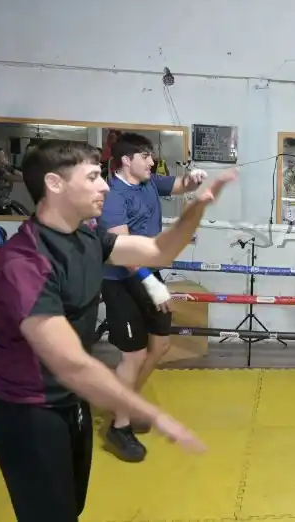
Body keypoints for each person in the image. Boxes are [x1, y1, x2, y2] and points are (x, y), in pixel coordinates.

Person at [0, 139, 235, 522]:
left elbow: (159, 251)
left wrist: (195, 209)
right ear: (55, 183)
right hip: (27, 410)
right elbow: (71, 363)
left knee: (71, 509)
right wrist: (152, 413)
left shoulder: (87, 237)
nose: (104, 186)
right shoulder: (25, 262)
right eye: (93, 177)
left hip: (70, 401)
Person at [99, 132, 208, 462]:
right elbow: (123, 251)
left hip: (149, 275)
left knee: (160, 345)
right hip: (120, 281)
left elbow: (180, 185)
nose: (151, 161)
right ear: (126, 161)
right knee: (133, 356)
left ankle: (127, 403)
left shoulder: (148, 182)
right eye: (145, 156)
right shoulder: (112, 196)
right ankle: (119, 427)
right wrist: (151, 283)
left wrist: (194, 179)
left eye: (151, 155)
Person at [0, 147, 29, 216]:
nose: (5, 158)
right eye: (3, 156)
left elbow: (23, 175)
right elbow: (20, 178)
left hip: (3, 203)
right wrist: (9, 167)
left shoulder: (4, 169)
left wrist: (10, 167)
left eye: (5, 156)